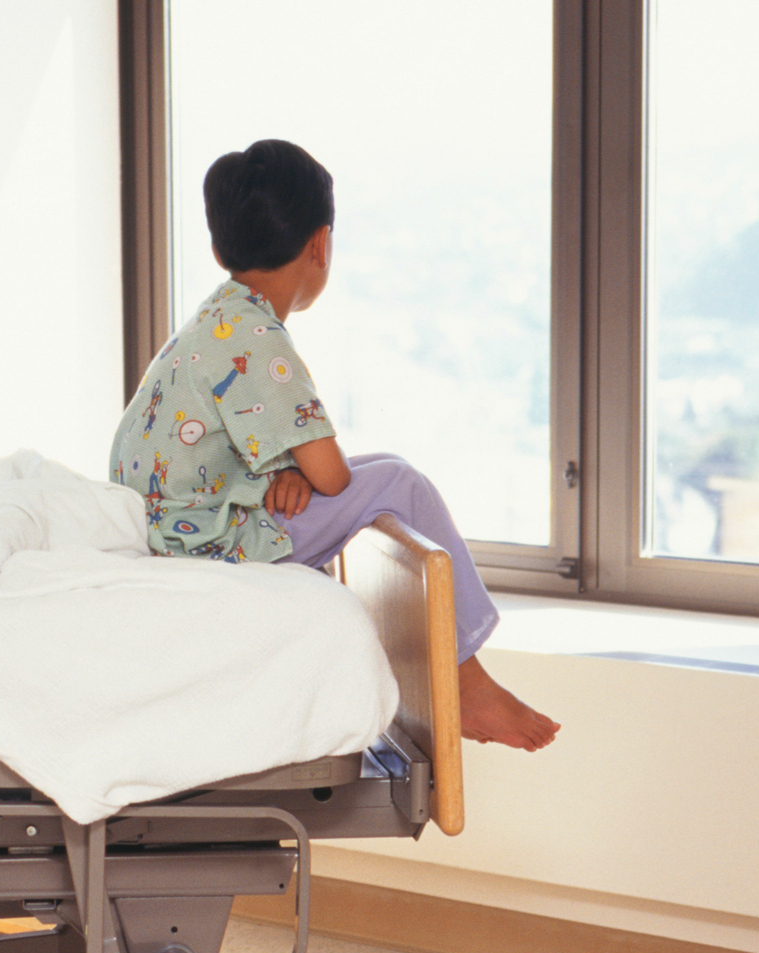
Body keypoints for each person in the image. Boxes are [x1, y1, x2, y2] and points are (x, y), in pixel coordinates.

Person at [109, 138, 559, 752]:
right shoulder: (257, 338)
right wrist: (302, 470)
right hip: (211, 547)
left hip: (191, 523)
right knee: (403, 485)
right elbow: (334, 478)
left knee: (390, 469)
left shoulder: (216, 318)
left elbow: (233, 452)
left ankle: (465, 674)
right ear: (320, 244)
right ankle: (466, 679)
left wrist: (283, 473)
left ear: (220, 250)